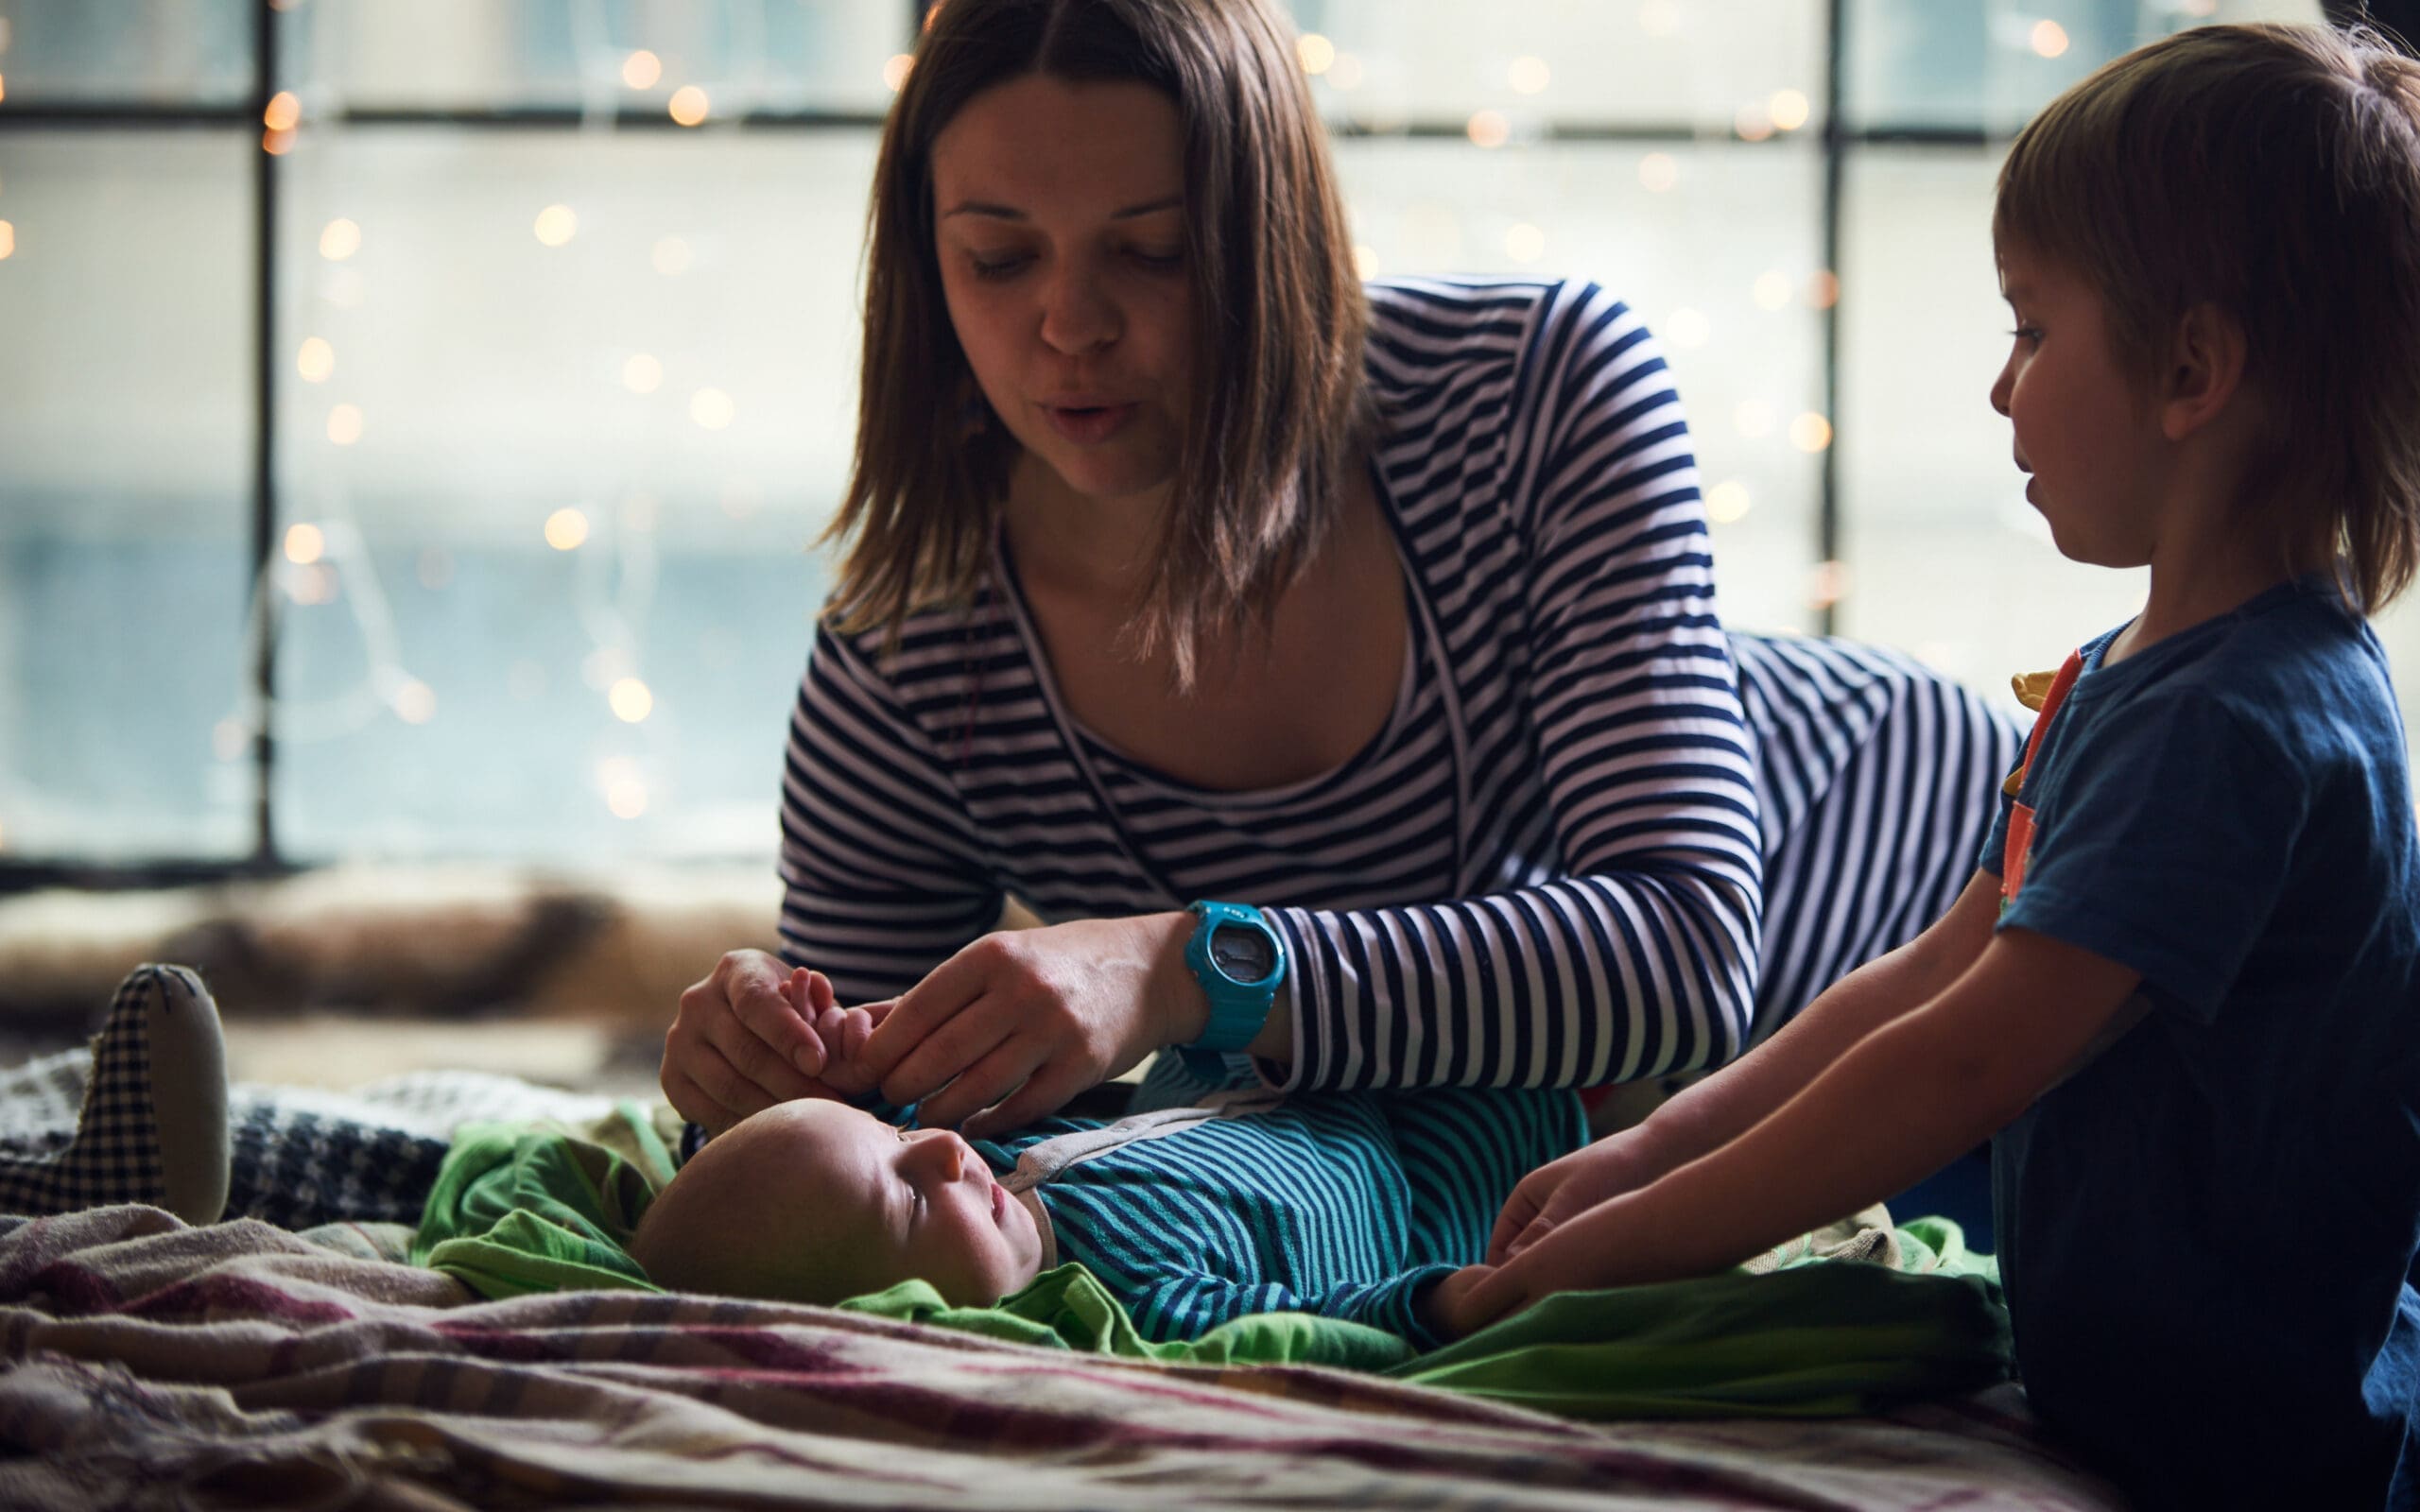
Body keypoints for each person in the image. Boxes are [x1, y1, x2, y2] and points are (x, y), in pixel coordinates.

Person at [659, 0, 2022, 1149]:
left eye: (1154, 251)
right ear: (923, 262)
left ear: (1266, 235)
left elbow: (1683, 960)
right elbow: (876, 1134)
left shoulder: (1536, 392)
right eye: (998, 258)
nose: (1069, 324)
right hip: (1678, 1140)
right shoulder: (912, 648)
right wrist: (765, 1071)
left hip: (2001, 903)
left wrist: (1180, 968)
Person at [1450, 23, 2420, 1509]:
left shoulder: (2236, 726)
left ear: (2190, 368)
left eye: (2032, 330)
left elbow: (1960, 1064)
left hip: (2262, 1446)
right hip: (2126, 1390)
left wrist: (1601, 1264)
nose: (1998, 387)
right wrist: (1651, 1147)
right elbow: (1927, 975)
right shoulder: (2136, 673)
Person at [632, 1003, 1583, 1346]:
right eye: (908, 1193)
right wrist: (1444, 1304)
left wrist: (814, 1060)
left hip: (1277, 1065)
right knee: (1531, 1090)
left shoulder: (991, 1158)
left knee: (1379, 994)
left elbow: (761, 1183)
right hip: (1407, 1176)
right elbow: (1311, 1328)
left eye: (893, 1138)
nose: (940, 1150)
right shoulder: (1131, 1306)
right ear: (893, 1313)